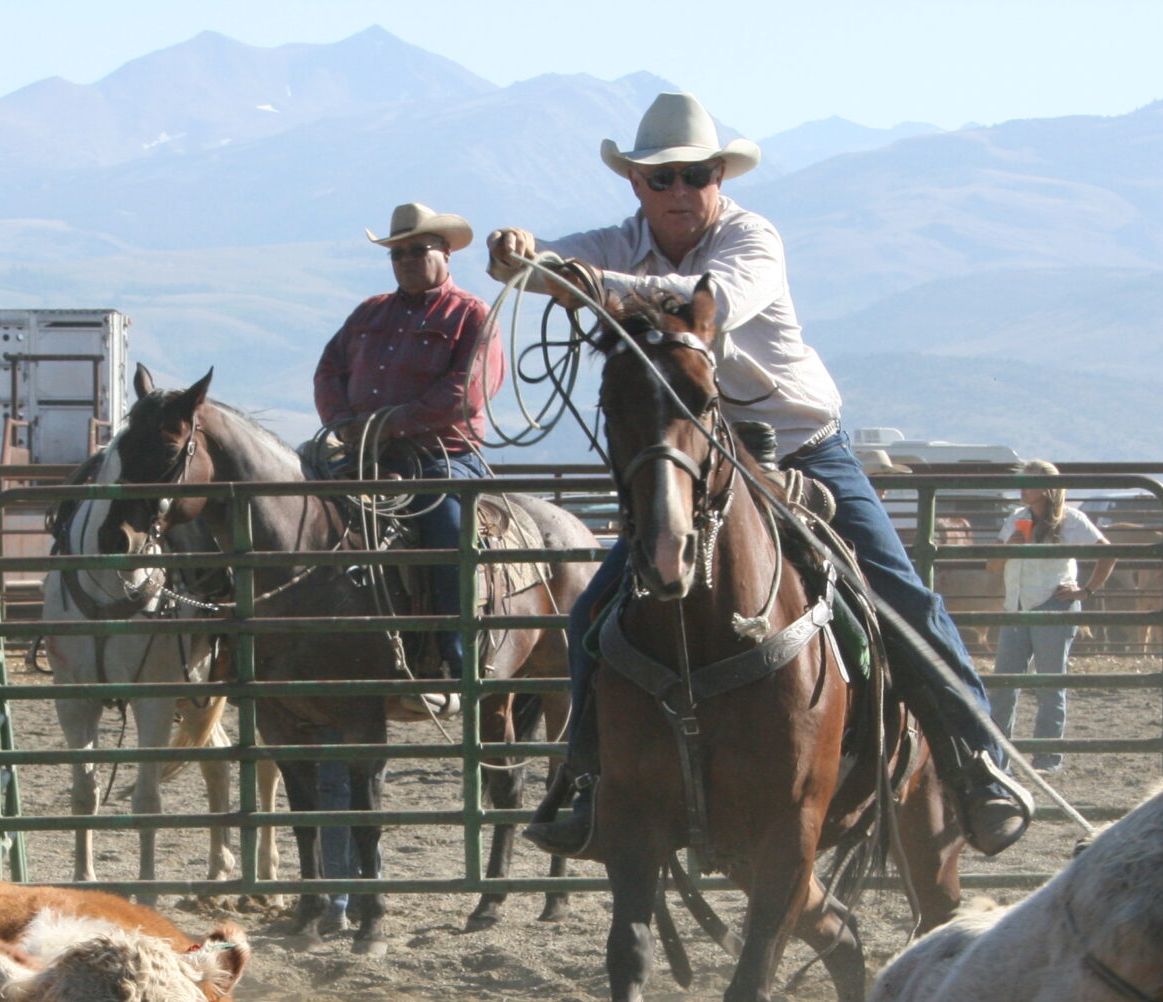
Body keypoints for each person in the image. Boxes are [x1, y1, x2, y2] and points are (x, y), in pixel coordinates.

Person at [489, 94, 1033, 857]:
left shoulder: (752, 238)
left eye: (696, 175)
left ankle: (979, 761)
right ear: (638, 185)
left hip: (802, 444)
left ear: (719, 178)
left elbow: (709, 302)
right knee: (592, 614)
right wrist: (519, 253)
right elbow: (540, 264)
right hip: (699, 459)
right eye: (662, 177)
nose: (679, 191)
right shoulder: (623, 240)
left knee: (901, 595)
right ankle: (587, 776)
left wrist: (585, 280)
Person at [312, 202, 505, 680]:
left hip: (443, 454)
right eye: (397, 254)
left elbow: (468, 389)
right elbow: (328, 371)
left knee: (443, 521)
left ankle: (458, 653)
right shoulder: (368, 312)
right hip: (365, 452)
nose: (406, 261)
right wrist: (344, 423)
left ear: (445, 253)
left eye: (418, 250)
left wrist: (394, 422)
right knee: (304, 512)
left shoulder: (471, 314)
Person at [986, 461, 1113, 772]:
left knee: (1049, 684)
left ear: (1046, 488)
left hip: (1051, 604)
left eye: (1028, 482)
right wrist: (1010, 548)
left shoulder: (1072, 520)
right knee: (1004, 685)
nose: (1022, 488)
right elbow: (991, 566)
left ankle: (1047, 757)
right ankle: (1001, 757)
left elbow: (1107, 551)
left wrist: (1086, 590)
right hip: (1016, 606)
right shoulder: (1016, 519)